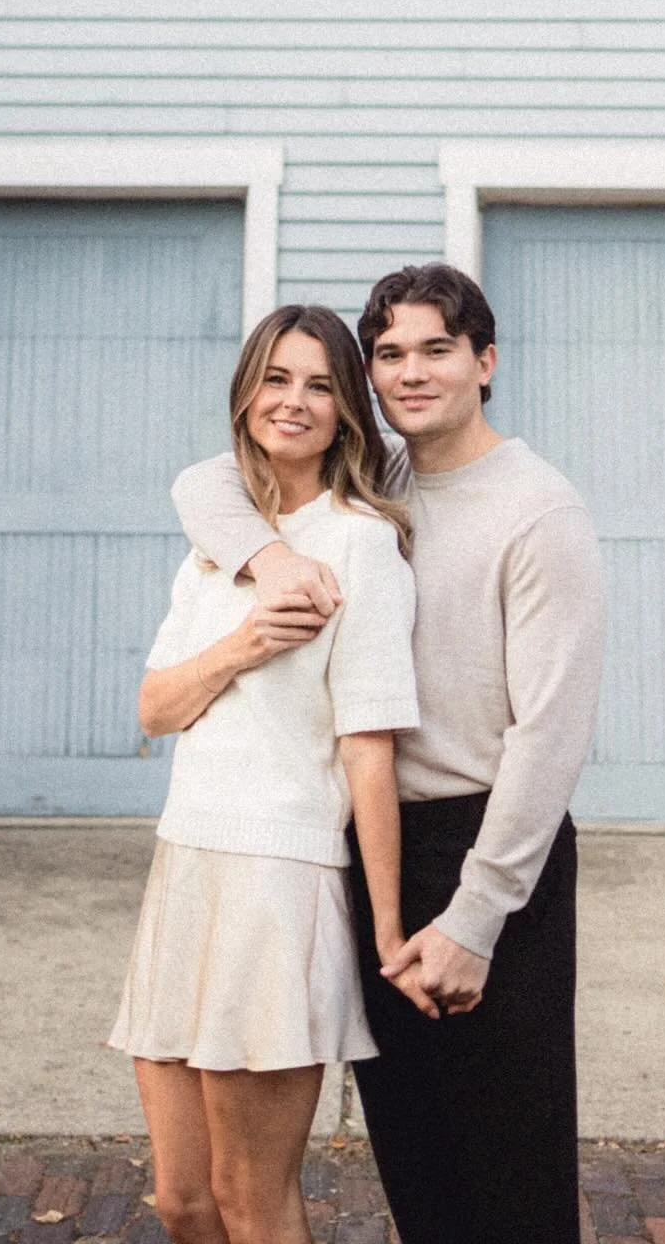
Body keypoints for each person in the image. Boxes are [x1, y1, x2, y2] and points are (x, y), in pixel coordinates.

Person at [171, 263, 606, 1244]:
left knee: (511, 1166)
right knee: (415, 1155)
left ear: (484, 363)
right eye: (391, 354)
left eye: (437, 351)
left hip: (488, 851)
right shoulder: (378, 481)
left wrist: (479, 914)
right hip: (372, 846)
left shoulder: (538, 511)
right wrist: (272, 559)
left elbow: (551, 735)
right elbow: (204, 481)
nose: (412, 373)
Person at [108, 304, 423, 1244]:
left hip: (277, 879)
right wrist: (245, 642)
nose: (295, 401)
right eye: (277, 378)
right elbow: (155, 709)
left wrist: (389, 921)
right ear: (247, 392)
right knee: (183, 1201)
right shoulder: (217, 540)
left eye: (321, 385)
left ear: (347, 413)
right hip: (185, 866)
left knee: (253, 1200)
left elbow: (368, 745)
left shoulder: (363, 544)